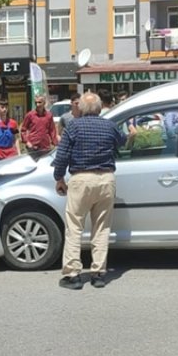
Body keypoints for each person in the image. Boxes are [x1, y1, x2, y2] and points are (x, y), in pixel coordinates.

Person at [50, 92, 126, 290]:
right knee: (101, 227)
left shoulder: (73, 126)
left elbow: (62, 155)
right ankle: (99, 273)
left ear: (81, 108)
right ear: (100, 108)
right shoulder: (109, 125)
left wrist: (59, 178)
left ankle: (73, 274)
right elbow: (122, 141)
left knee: (74, 226)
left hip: (81, 179)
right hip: (106, 179)